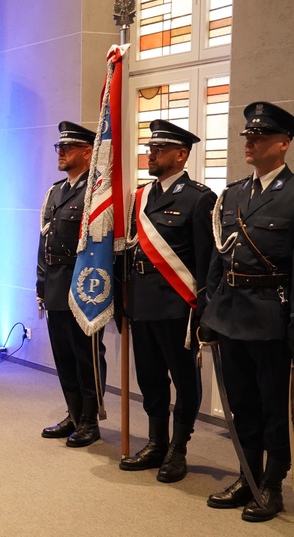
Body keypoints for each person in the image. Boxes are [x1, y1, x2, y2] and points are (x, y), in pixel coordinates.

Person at [201, 101, 294, 522]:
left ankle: (272, 485)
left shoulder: (291, 194)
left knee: (273, 407)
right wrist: (210, 311)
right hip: (231, 313)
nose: (250, 143)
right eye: (248, 136)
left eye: (260, 137)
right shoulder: (233, 193)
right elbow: (219, 258)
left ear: (284, 144)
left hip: (271, 315)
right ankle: (247, 476)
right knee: (241, 404)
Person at [120, 120, 217, 482]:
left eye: (160, 150)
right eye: (151, 149)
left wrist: (204, 310)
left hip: (178, 305)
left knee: (184, 379)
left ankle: (178, 447)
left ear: (181, 154)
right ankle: (156, 441)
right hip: (142, 302)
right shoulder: (141, 197)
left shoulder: (199, 198)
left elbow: (206, 261)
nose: (152, 155)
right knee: (149, 378)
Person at [36, 121, 107, 448]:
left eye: (68, 147)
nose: (61, 152)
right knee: (64, 357)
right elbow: (44, 242)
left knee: (86, 356)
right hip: (55, 285)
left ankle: (91, 420)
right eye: (59, 147)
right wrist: (40, 283)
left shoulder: (97, 192)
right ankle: (74, 414)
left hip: (84, 286)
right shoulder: (56, 191)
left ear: (88, 152)